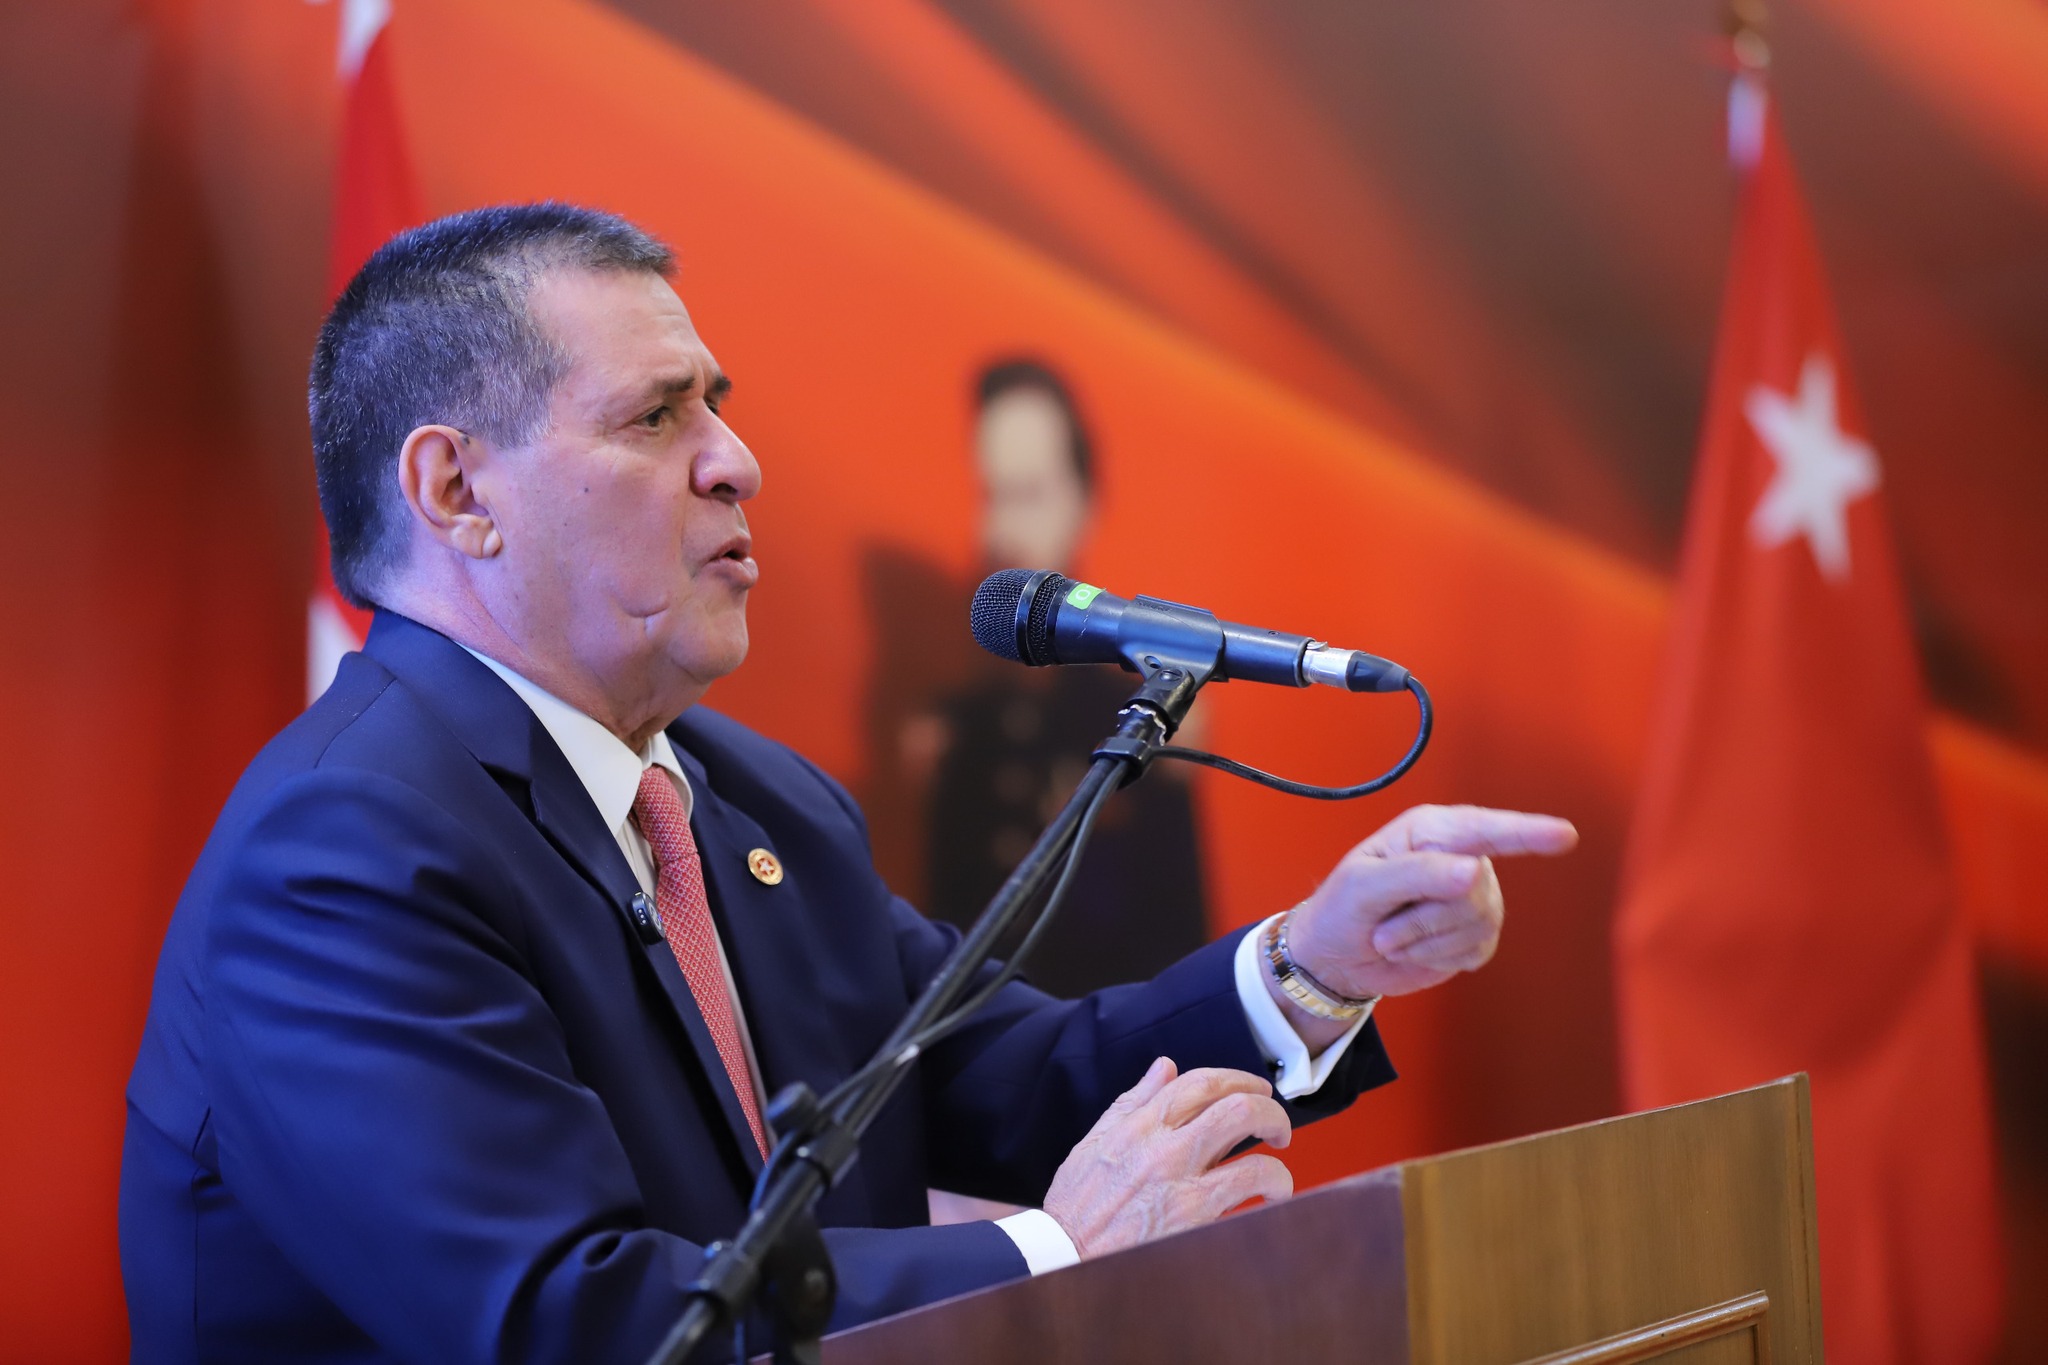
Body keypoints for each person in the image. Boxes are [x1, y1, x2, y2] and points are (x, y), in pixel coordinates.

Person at [119, 204, 1578, 1363]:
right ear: (456, 493)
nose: (738, 462)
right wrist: (1054, 1255)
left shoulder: (752, 801)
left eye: (721, 406)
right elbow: (573, 1318)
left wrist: (1313, 967)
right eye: (657, 417)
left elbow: (999, 1079)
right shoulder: (342, 853)